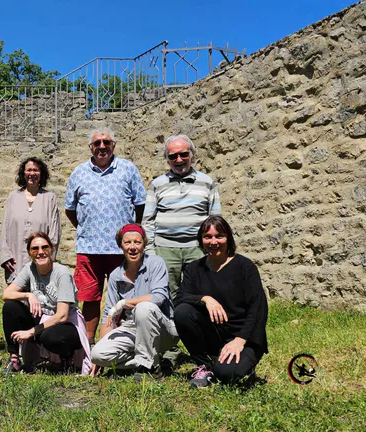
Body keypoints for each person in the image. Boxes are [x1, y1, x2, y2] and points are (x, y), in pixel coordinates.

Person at [64, 127, 146, 343]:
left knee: (126, 296)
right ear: (90, 147)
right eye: (97, 143)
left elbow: (140, 204)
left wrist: (130, 233)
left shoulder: (128, 169)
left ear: (114, 145)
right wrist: (87, 228)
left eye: (106, 142)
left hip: (122, 250)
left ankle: (123, 341)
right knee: (90, 297)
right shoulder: (79, 172)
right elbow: (70, 209)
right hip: (89, 248)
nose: (102, 147)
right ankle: (90, 343)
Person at [173, 216, 268, 388]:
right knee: (182, 312)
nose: (213, 241)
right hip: (214, 335)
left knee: (226, 374)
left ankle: (238, 365)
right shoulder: (194, 269)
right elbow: (179, 298)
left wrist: (240, 340)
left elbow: (258, 308)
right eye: (208, 236)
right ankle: (205, 365)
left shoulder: (245, 267)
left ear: (228, 238)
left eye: (219, 236)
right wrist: (205, 299)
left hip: (244, 338)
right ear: (201, 240)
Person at [89, 224, 178, 381]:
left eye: (137, 242)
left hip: (162, 328)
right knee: (97, 354)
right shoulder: (116, 275)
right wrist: (101, 357)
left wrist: (124, 303)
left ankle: (151, 369)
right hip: (132, 328)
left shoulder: (156, 263)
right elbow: (109, 313)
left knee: (143, 308)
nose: (132, 247)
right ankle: (146, 361)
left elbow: (158, 298)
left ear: (144, 244)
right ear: (120, 245)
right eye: (127, 242)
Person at [141, 134, 221, 297]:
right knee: (166, 294)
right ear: (167, 159)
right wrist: (151, 252)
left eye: (183, 154)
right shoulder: (157, 184)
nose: (179, 159)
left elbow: (215, 219)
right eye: (172, 156)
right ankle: (171, 323)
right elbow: (148, 221)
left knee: (201, 291)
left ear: (192, 155)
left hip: (198, 248)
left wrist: (212, 246)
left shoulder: (207, 182)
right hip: (165, 250)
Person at [1, 232, 92, 375]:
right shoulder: (29, 268)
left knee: (49, 337)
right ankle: (14, 359)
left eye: (45, 248)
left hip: (68, 323)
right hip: (43, 317)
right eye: (35, 249)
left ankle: (67, 356)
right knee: (10, 307)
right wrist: (28, 294)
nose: (40, 252)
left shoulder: (62, 273)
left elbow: (62, 315)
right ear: (30, 253)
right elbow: (6, 294)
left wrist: (31, 332)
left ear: (51, 249)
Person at [0, 157, 61, 283]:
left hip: (41, 260)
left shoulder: (49, 198)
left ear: (41, 174)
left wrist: (47, 257)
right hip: (16, 260)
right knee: (16, 298)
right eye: (29, 170)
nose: (32, 174)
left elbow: (55, 232)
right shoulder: (13, 197)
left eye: (36, 170)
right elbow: (5, 229)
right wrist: (5, 256)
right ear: (23, 173)